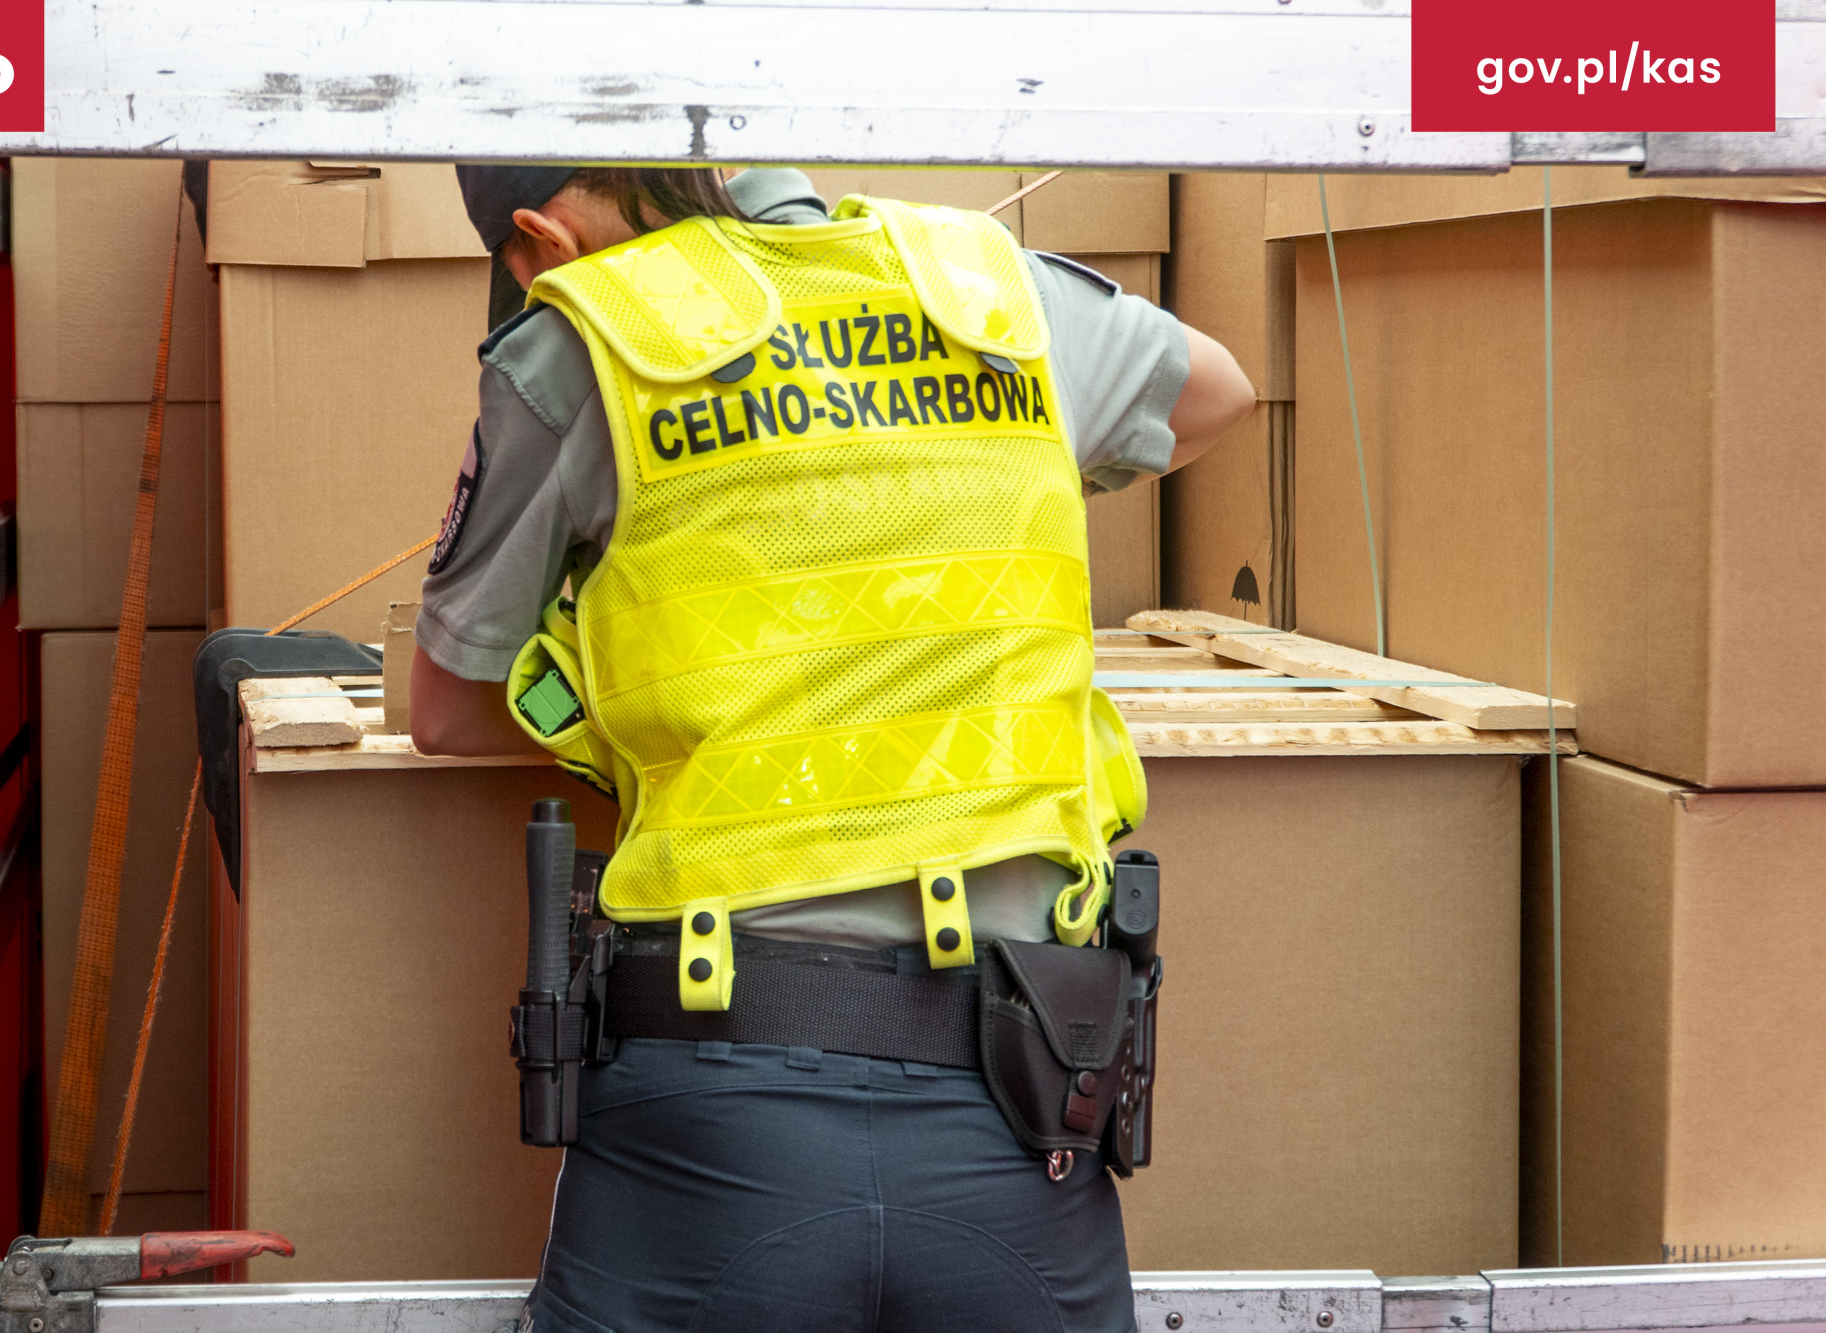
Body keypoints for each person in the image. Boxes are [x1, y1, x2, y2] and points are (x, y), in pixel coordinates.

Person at [411, 164, 1255, 1333]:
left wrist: (630, 675)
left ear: (538, 234)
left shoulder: (580, 339)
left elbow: (447, 709)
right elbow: (1220, 390)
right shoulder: (988, 291)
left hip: (709, 1115)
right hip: (1023, 1102)